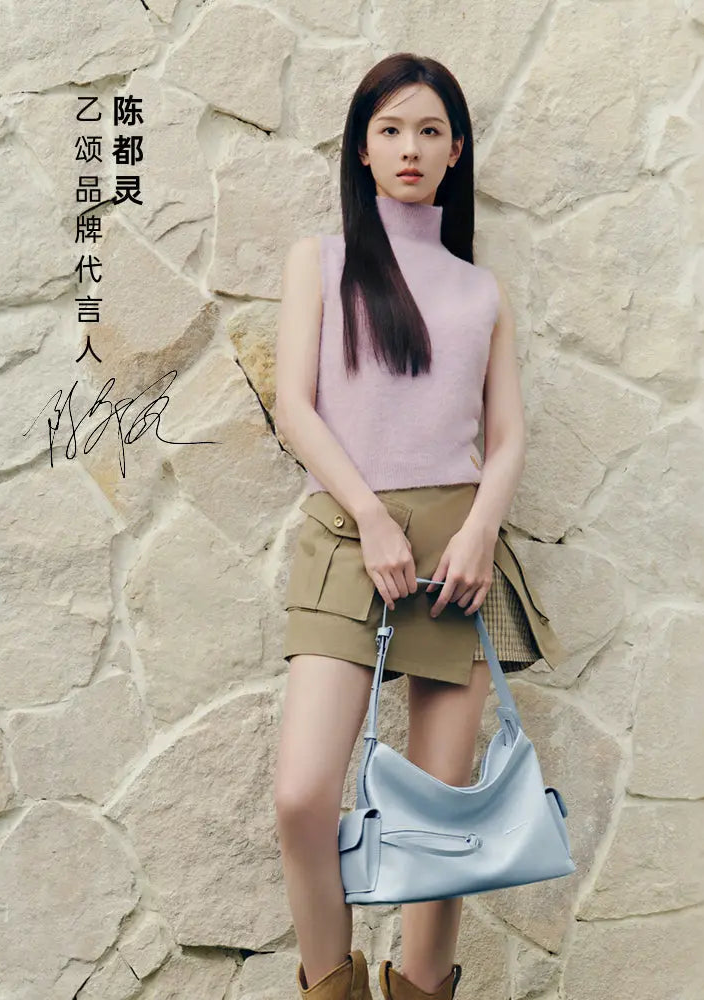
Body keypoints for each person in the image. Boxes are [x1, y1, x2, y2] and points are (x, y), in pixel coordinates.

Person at [272, 52, 564, 1000]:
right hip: (346, 540)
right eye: (391, 128)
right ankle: (330, 986)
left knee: (442, 828)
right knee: (303, 797)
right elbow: (295, 408)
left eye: (430, 130)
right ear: (362, 146)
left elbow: (509, 436)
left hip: (459, 551)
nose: (410, 146)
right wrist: (367, 516)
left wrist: (479, 530)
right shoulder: (319, 262)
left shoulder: (481, 292)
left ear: (456, 151)